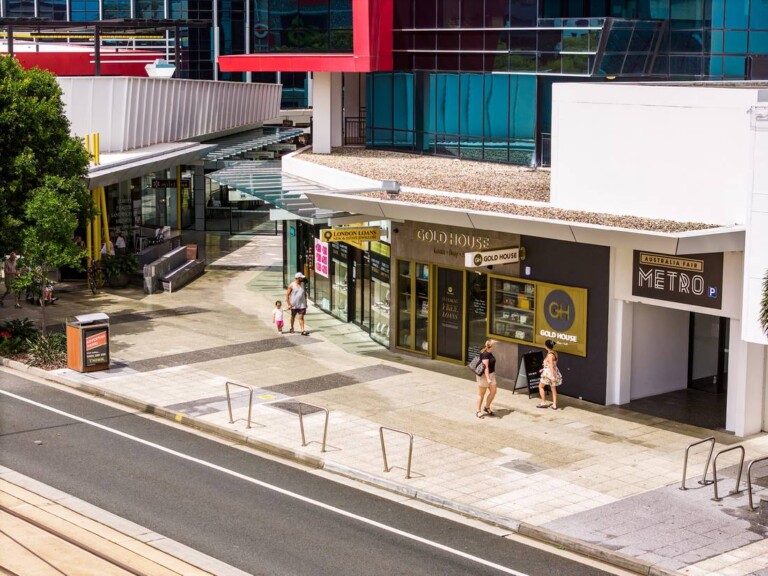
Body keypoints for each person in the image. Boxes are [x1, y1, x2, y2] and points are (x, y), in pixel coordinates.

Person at [475, 339, 498, 418]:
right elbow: (486, 368)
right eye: (494, 345)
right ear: (491, 346)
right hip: (484, 376)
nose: (495, 346)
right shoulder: (485, 354)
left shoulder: (489, 352)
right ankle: (478, 411)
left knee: (493, 392)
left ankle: (486, 407)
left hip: (491, 375)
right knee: (481, 394)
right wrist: (488, 378)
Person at [538, 339, 563, 410]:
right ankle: (554, 404)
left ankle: (543, 402)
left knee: (541, 386)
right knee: (553, 389)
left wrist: (552, 375)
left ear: (546, 347)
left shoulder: (549, 355)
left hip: (548, 373)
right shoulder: (555, 353)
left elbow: (551, 366)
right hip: (554, 372)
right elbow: (553, 364)